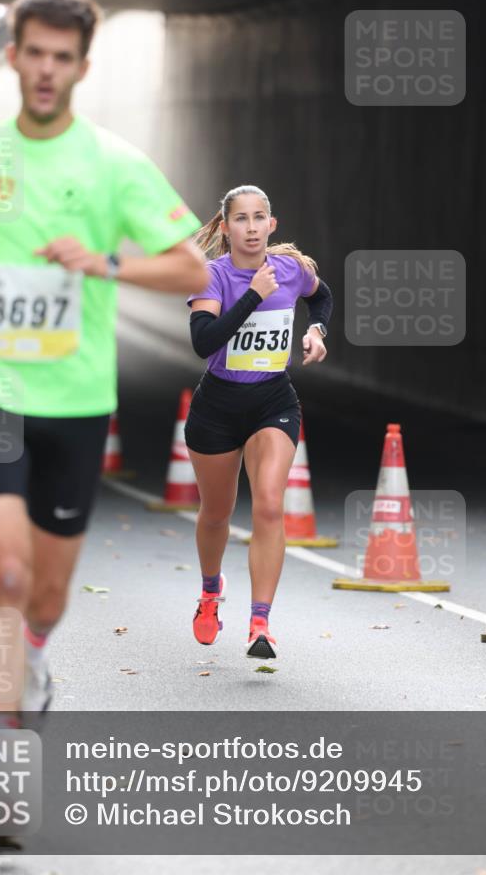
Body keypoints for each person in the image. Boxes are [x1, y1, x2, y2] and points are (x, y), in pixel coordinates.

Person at [0, 0, 208, 722]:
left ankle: (35, 653)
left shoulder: (115, 164)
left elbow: (191, 270)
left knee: (44, 593)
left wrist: (106, 264)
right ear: (14, 57)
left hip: (75, 399)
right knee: (6, 569)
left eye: (63, 57)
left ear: (81, 67)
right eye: (36, 53)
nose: (47, 69)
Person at [185, 184, 333, 660]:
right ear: (226, 227)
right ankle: (211, 591)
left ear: (272, 224)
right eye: (241, 219)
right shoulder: (212, 276)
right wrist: (252, 295)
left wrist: (317, 329)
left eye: (258, 218)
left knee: (269, 504)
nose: (251, 228)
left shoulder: (290, 269)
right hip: (218, 407)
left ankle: (260, 624)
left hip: (273, 400)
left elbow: (322, 296)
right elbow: (204, 342)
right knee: (216, 513)